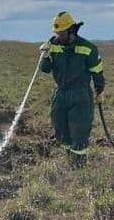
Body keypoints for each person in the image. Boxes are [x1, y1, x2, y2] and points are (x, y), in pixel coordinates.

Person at [38, 11, 105, 167]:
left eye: (61, 32)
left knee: (79, 131)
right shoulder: (53, 45)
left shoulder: (88, 48)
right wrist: (45, 56)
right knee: (60, 130)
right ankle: (70, 162)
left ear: (71, 31)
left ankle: (79, 169)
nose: (58, 36)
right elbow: (45, 69)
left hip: (80, 94)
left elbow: (97, 70)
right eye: (56, 32)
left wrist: (100, 90)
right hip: (60, 93)